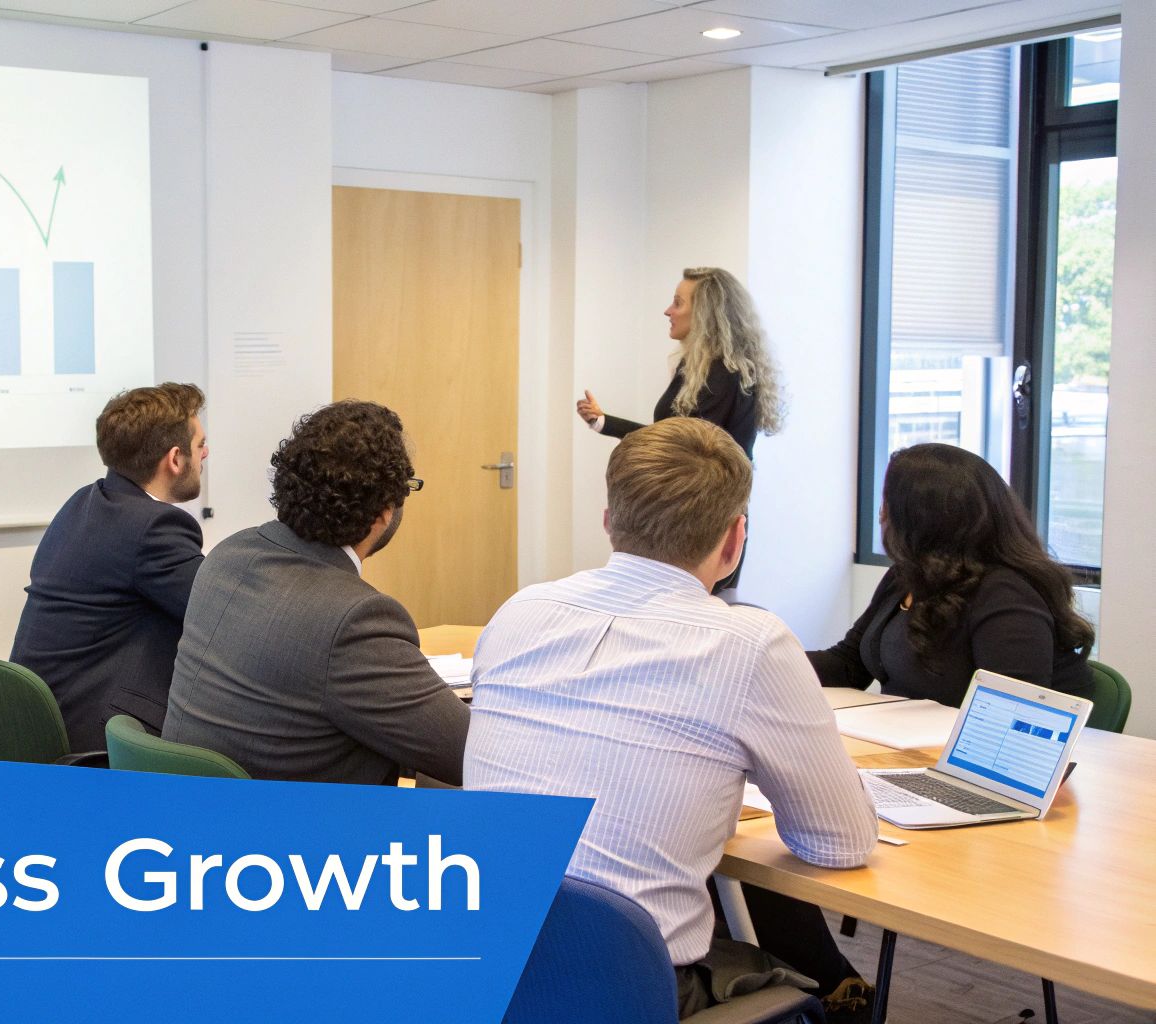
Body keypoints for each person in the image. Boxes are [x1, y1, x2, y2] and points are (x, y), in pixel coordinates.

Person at [464, 418, 876, 1020]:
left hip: (487, 973)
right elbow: (840, 843)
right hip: (628, 990)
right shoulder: (750, 645)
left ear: (610, 520)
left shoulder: (520, 611)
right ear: (735, 540)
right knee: (828, 995)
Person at [160, 400, 469, 786]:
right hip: (294, 834)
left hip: (196, 813)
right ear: (385, 511)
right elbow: (468, 753)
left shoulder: (228, 555)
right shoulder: (354, 620)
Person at [809, 442, 1095, 705]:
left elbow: (1014, 713)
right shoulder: (906, 577)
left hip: (970, 754)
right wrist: (771, 658)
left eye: (888, 503)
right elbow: (847, 666)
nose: (881, 514)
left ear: (920, 518)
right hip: (909, 744)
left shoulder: (1006, 595)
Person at [9, 383, 207, 750]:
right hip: (95, 734)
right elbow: (221, 614)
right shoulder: (154, 527)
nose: (206, 454)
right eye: (200, 446)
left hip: (46, 717)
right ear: (175, 459)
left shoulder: (86, 501)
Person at [576, 267, 783, 592]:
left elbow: (688, 453)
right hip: (691, 517)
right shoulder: (699, 367)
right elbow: (673, 439)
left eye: (677, 303)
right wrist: (605, 422)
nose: (667, 311)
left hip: (703, 524)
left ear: (704, 313)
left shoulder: (724, 374)